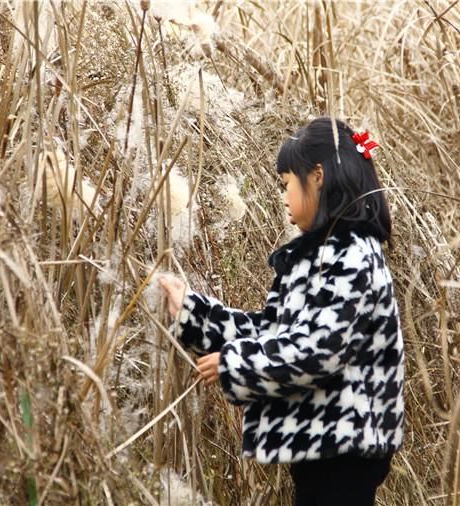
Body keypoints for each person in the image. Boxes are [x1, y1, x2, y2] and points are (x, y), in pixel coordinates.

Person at [159, 117, 404, 506]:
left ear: (318, 177)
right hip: (325, 446)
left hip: (344, 452)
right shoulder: (321, 254)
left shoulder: (353, 255)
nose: (285, 196)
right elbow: (274, 333)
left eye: (288, 182)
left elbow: (318, 351)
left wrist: (235, 365)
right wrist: (193, 311)